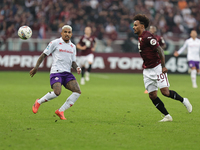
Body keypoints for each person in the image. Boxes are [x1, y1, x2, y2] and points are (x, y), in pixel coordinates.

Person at [133, 14, 192, 122]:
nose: (133, 27)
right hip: (147, 70)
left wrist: (163, 66)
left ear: (142, 26)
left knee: (165, 92)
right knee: (152, 95)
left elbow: (160, 50)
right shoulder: (140, 37)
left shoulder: (148, 36)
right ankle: (167, 116)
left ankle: (184, 100)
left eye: (135, 25)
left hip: (157, 67)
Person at [30, 25, 82, 120]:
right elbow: (43, 55)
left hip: (67, 73)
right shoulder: (55, 43)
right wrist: (36, 67)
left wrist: (77, 67)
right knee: (57, 92)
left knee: (77, 92)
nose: (67, 34)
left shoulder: (73, 46)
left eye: (69, 32)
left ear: (71, 34)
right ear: (61, 33)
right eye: (65, 32)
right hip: (56, 72)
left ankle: (60, 111)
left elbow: (73, 62)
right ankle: (38, 102)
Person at [144, 25, 166, 94]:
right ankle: (150, 88)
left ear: (155, 30)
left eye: (153, 28)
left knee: (158, 73)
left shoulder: (159, 38)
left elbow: (164, 45)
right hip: (150, 58)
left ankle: (162, 87)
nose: (152, 30)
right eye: (151, 28)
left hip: (158, 58)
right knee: (149, 74)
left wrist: (159, 49)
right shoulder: (146, 38)